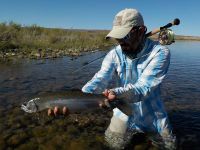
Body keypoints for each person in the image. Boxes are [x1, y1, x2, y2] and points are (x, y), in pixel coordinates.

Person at [48, 8, 176, 149]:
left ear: (141, 31)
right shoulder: (113, 54)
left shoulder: (160, 52)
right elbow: (100, 79)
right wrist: (78, 98)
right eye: (117, 37)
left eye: (125, 36)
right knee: (112, 145)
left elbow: (144, 87)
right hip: (121, 111)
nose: (120, 42)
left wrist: (115, 93)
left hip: (153, 114)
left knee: (169, 147)